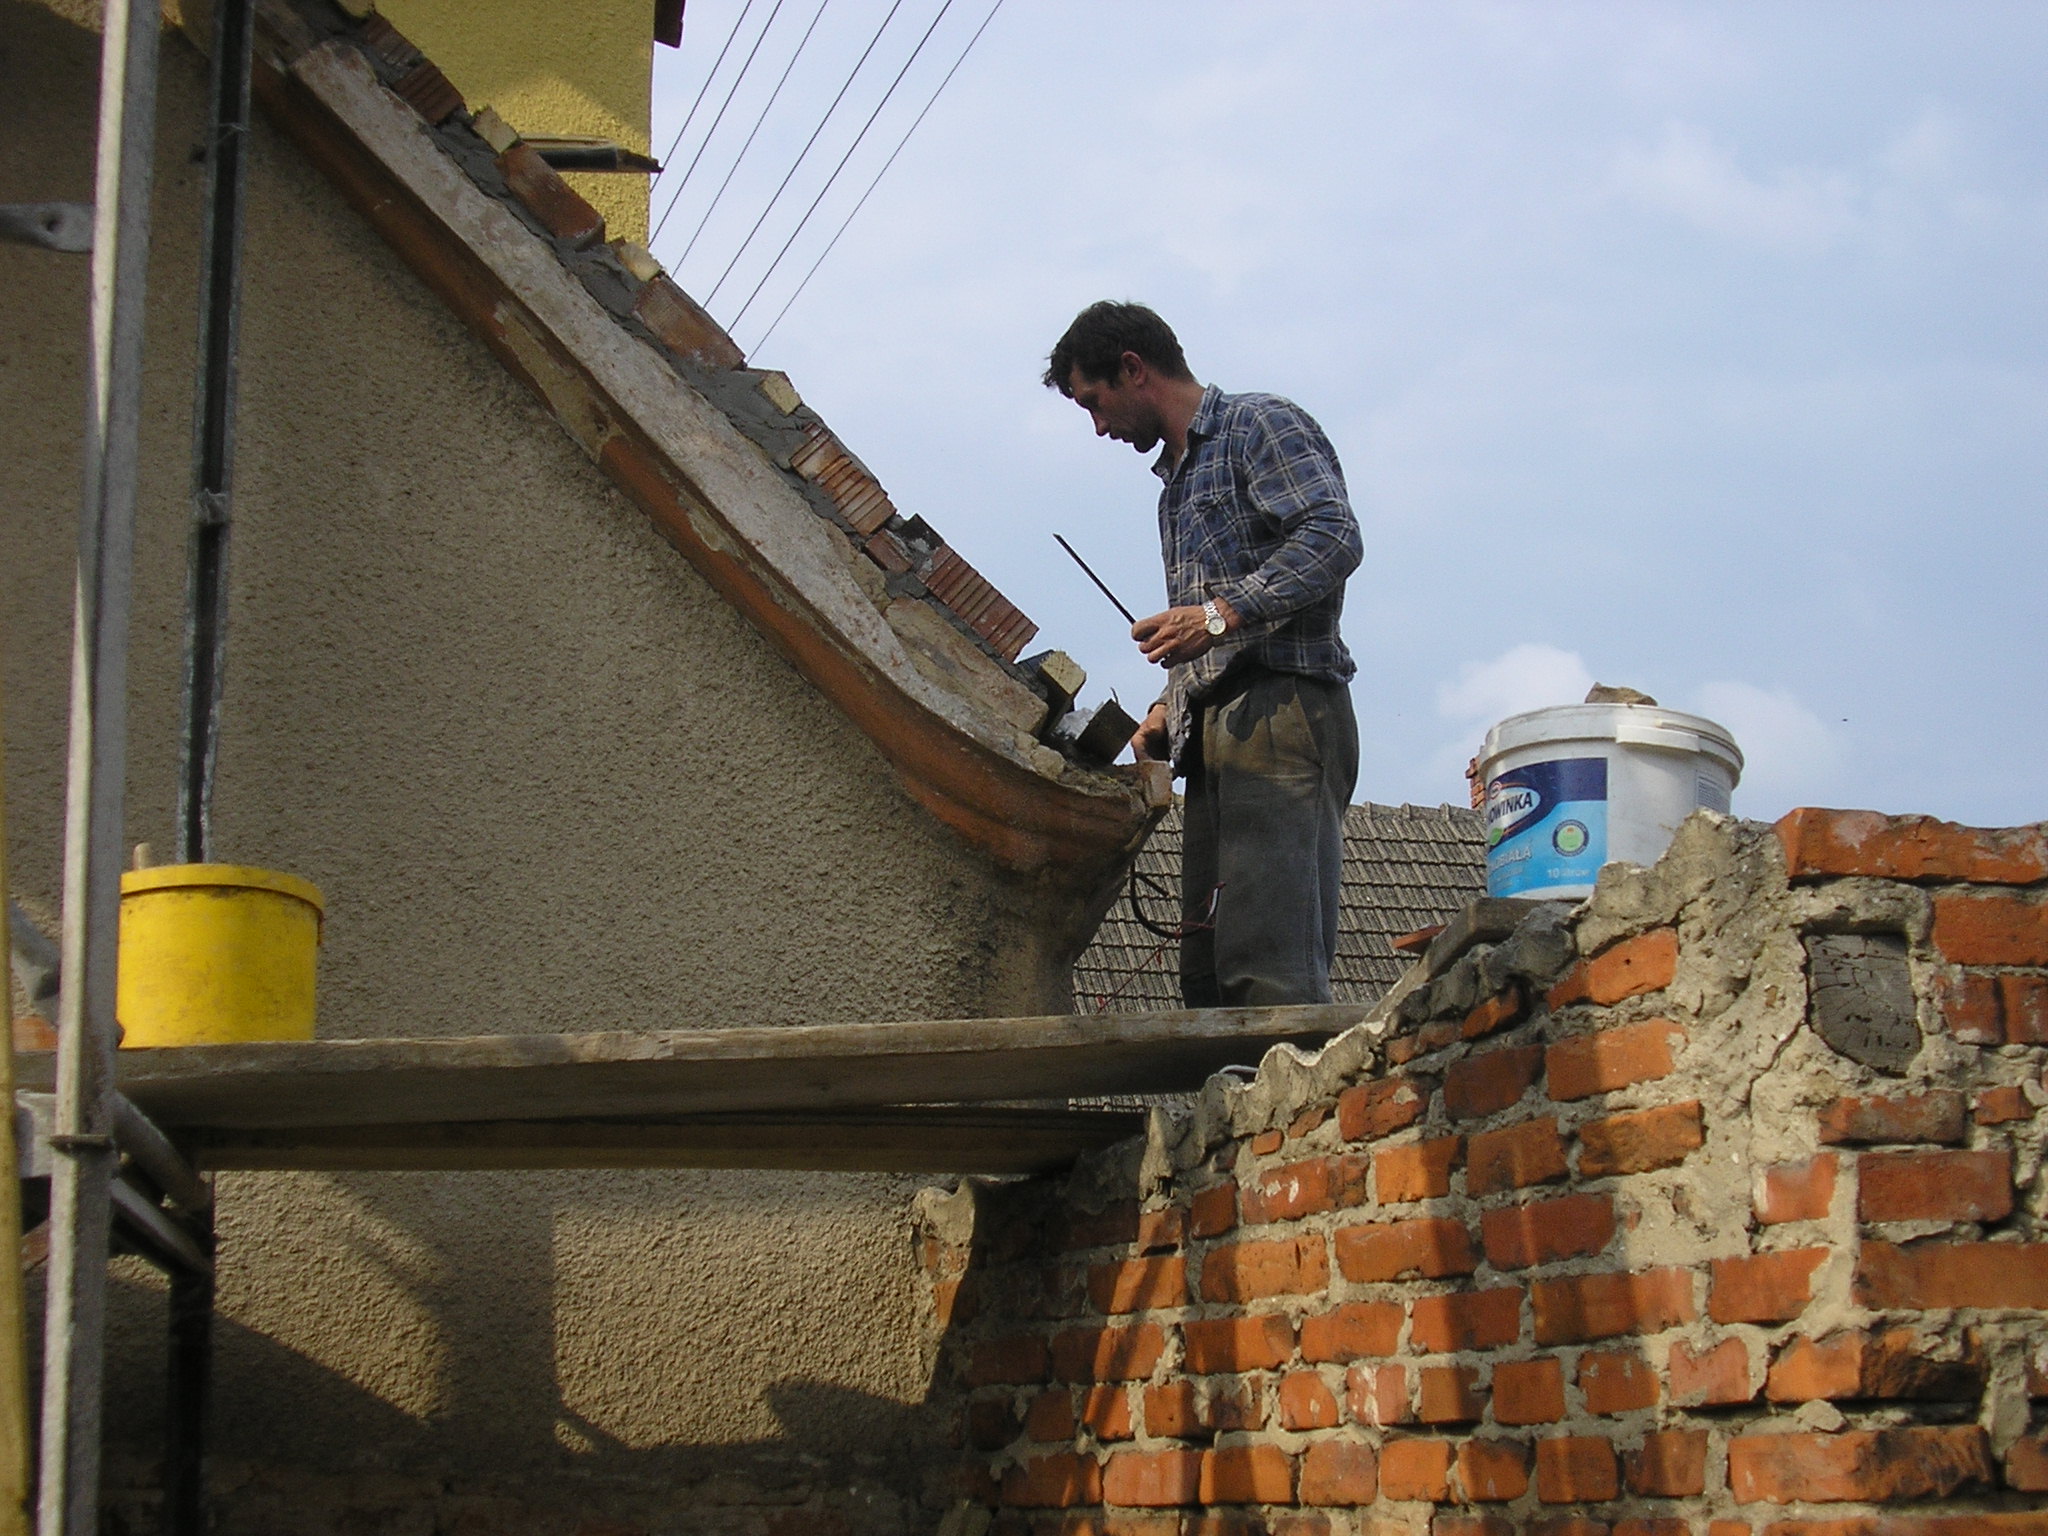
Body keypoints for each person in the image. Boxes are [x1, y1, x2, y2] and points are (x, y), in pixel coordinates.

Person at [1044, 301, 1363, 1007]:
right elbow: (1208, 631)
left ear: (1133, 369)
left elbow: (1333, 537)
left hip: (1284, 709)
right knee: (1209, 974)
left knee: (1268, 968)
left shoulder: (1257, 424)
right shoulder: (1176, 486)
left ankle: (1290, 1083)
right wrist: (1169, 705)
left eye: (1094, 402)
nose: (1098, 428)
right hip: (1215, 731)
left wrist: (1217, 616)